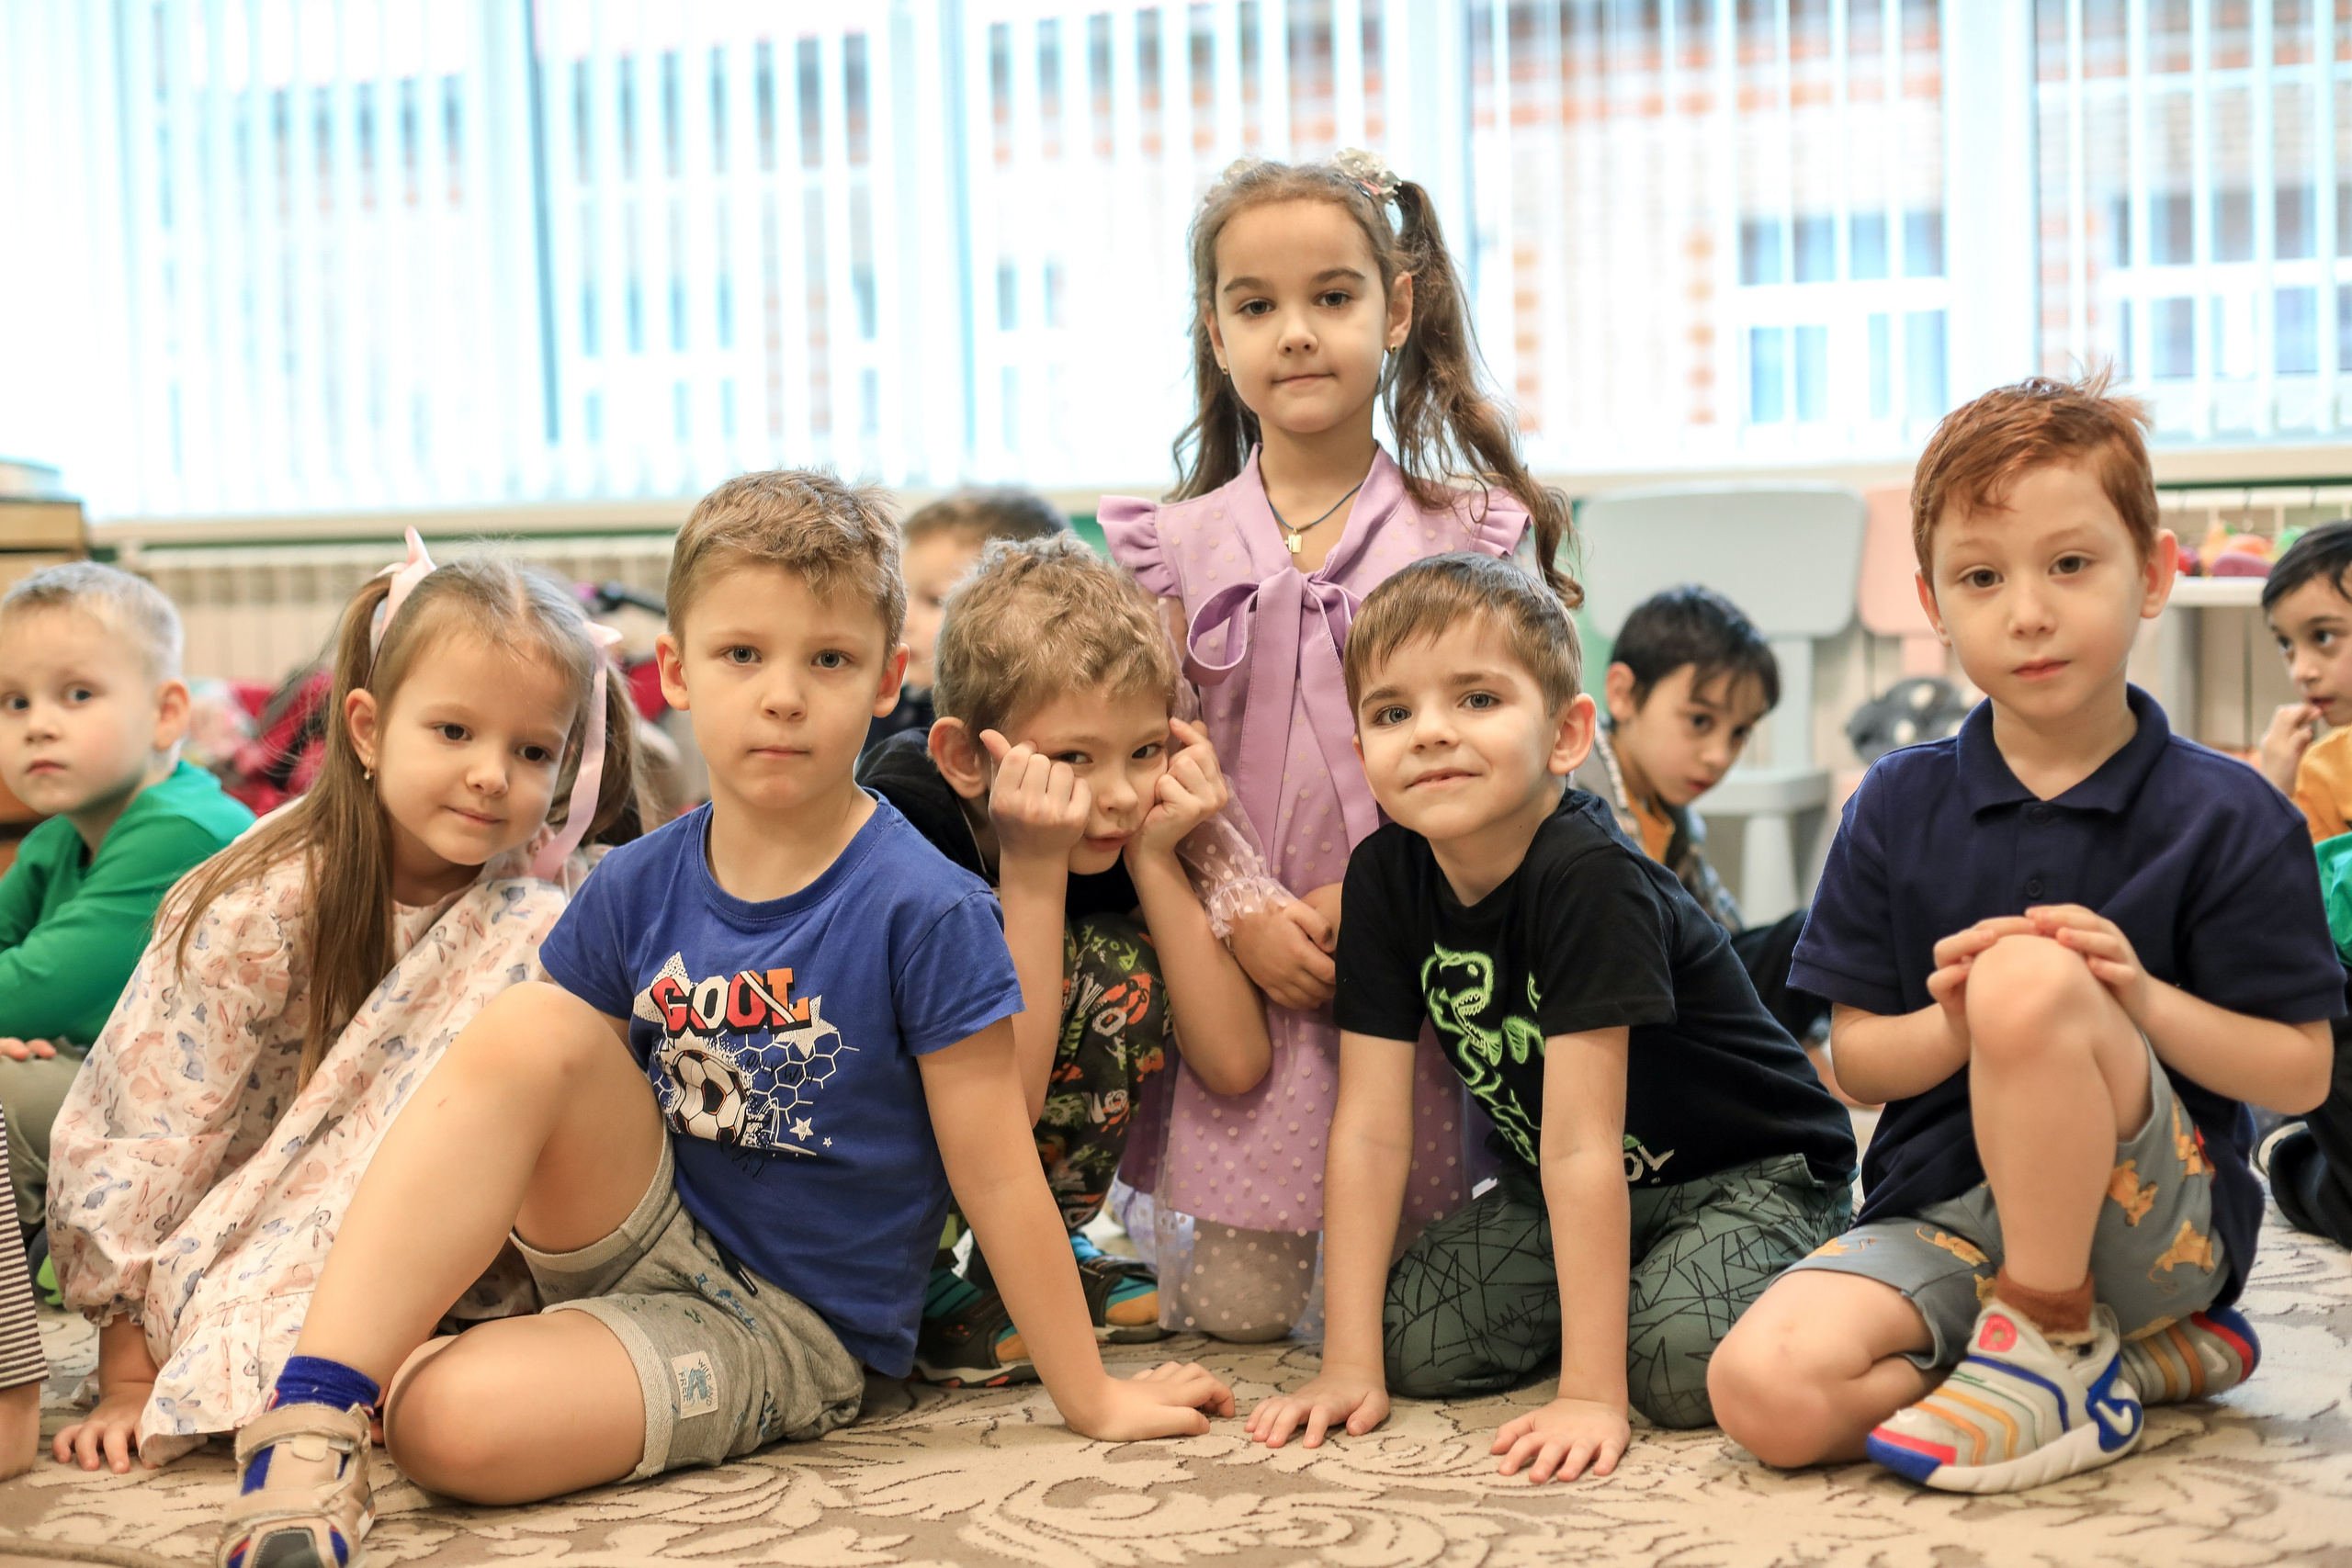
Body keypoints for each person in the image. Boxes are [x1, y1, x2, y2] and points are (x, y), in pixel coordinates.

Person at [213, 473, 1232, 1568]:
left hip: (784, 1324)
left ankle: (435, 1380)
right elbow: (526, 1114)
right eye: (744, 656)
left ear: (891, 679)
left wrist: (1091, 1397)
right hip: (635, 1229)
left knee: (441, 1425)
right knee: (529, 1029)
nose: (783, 697)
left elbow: (997, 1169)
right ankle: (310, 1422)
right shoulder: (636, 883)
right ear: (678, 673)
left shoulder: (929, 908)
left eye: (827, 661)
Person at [1707, 375, 2343, 1493]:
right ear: (1933, 601)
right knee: (1762, 1393)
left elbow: (2298, 1075)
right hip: (1944, 1211)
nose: (2028, 611)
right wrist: (1954, 1025)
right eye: (1981, 578)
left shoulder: (2230, 810)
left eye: (2069, 565)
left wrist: (2132, 999)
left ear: (2151, 575)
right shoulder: (1895, 805)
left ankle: (2054, 1332)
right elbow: (1856, 1059)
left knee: (2029, 976)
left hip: (2155, 1229)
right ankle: (2120, 1367)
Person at [1245, 554, 1855, 1483]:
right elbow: (1367, 1129)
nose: (1430, 734)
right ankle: (1639, 1282)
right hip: (1572, 1180)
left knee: (1672, 1366)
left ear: (1567, 735)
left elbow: (1580, 1145)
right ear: (1360, 744)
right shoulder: (1382, 878)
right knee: (1415, 1345)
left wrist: (1588, 1391)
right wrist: (1345, 1365)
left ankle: (1801, 1260)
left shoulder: (1587, 875)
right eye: (1392, 712)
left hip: (1752, 1169)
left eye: (1478, 700)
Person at [1101, 147, 1573, 1340]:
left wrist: (1364, 896)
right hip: (1237, 953)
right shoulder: (1171, 545)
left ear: (1395, 308)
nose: (1296, 333)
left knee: (1399, 1306)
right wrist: (1246, 904)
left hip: (1412, 950)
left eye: (1332, 296)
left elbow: (1511, 757)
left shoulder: (1463, 531)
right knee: (1239, 1316)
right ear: (1216, 332)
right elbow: (1154, 755)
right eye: (1257, 306)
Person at [48, 538, 645, 1473]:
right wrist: (127, 1371)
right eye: (453, 733)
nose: (492, 774)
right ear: (365, 730)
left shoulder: (553, 901)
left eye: (532, 751)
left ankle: (407, 1346)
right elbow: (152, 1119)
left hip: (451, 1222)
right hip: (262, 1213)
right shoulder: (263, 899)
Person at [858, 535, 1272, 1382]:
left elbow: (1234, 1062)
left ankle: (1043, 1252)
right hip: (888, 1158)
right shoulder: (905, 812)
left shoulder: (1128, 825)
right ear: (965, 757)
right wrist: (1035, 871)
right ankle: (922, 1274)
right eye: (1074, 758)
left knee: (1118, 964)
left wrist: (1160, 858)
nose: (1118, 793)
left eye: (1145, 750)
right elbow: (999, 1100)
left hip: (1017, 1136)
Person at [0, 563, 254, 1239]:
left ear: (166, 713)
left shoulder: (181, 831)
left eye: (76, 694)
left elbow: (21, 989)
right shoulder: (56, 839)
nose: (37, 726)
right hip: (131, 1105)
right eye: (13, 702)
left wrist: (16, 1019)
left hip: (212, 1141)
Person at [1572, 584, 1839, 1081]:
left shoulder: (1677, 818)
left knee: (1811, 934)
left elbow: (1723, 937)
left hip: (1677, 1002)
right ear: (1624, 694)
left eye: (1739, 732)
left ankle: (1804, 1061)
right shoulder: (1578, 786)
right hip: (1614, 1008)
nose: (1720, 755)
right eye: (1700, 720)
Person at [2250, 521, 2352, 1249]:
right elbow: (2287, 916)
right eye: (2289, 645)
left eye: (2326, 637)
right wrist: (2271, 799)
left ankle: (2290, 1147)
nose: (2303, 669)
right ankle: (2286, 1146)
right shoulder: (2321, 767)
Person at [865, 488, 1068, 755]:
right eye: (901, 596)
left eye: (934, 600)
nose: (904, 621)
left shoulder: (1033, 731)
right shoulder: (888, 709)